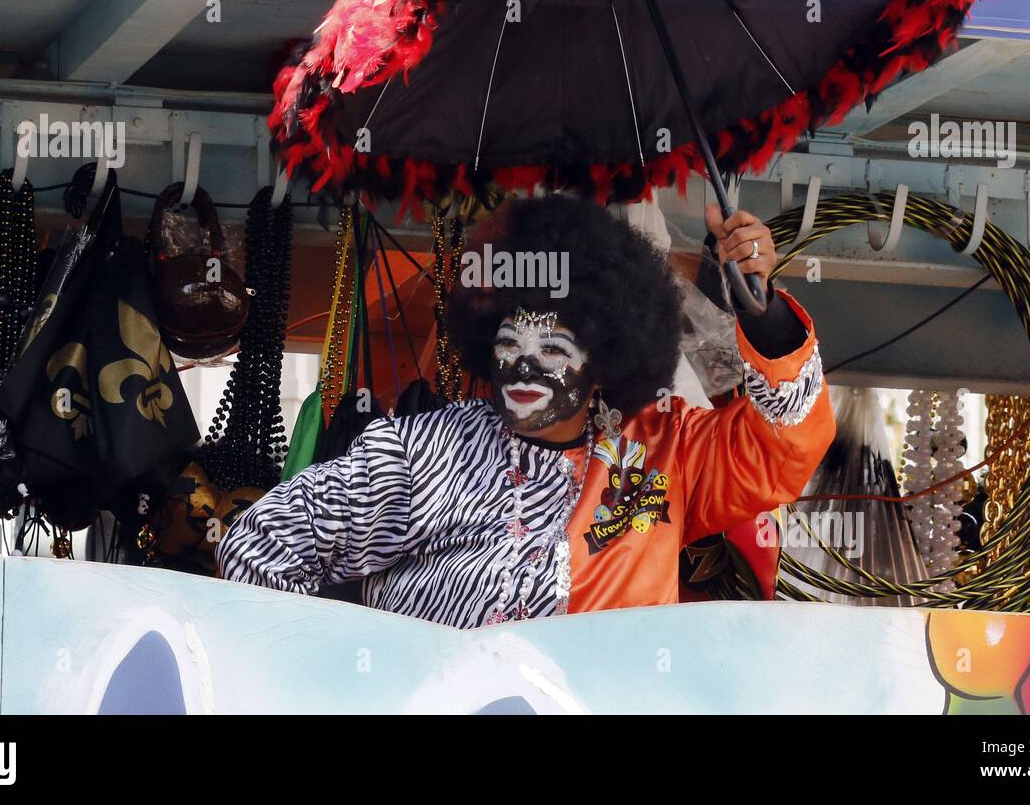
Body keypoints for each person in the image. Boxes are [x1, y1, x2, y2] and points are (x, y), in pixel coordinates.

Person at [218, 195, 835, 628]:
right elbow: (261, 543)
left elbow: (782, 450)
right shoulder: (422, 452)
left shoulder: (663, 449)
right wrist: (345, 669)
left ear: (602, 360)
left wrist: (767, 318)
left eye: (553, 349)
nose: (523, 367)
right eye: (509, 344)